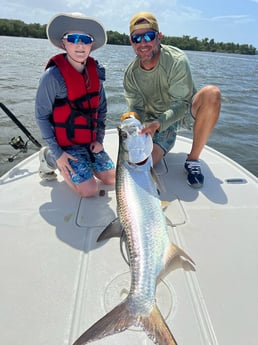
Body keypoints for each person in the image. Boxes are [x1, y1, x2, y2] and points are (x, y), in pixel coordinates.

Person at [124, 12, 221, 188]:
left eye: (149, 36)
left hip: (182, 113)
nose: (143, 43)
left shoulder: (177, 60)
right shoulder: (130, 74)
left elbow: (182, 104)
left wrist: (158, 123)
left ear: (159, 37)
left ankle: (193, 160)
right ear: (131, 42)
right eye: (137, 38)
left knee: (211, 94)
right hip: (154, 122)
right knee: (144, 165)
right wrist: (134, 126)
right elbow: (136, 108)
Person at [35, 13, 115, 197]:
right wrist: (59, 153)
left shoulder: (97, 75)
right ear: (64, 43)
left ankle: (83, 161)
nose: (80, 44)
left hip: (90, 142)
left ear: (91, 45)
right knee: (89, 190)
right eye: (73, 39)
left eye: (85, 40)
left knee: (111, 178)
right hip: (65, 146)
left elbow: (101, 110)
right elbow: (41, 116)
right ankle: (50, 157)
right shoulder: (52, 77)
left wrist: (99, 140)